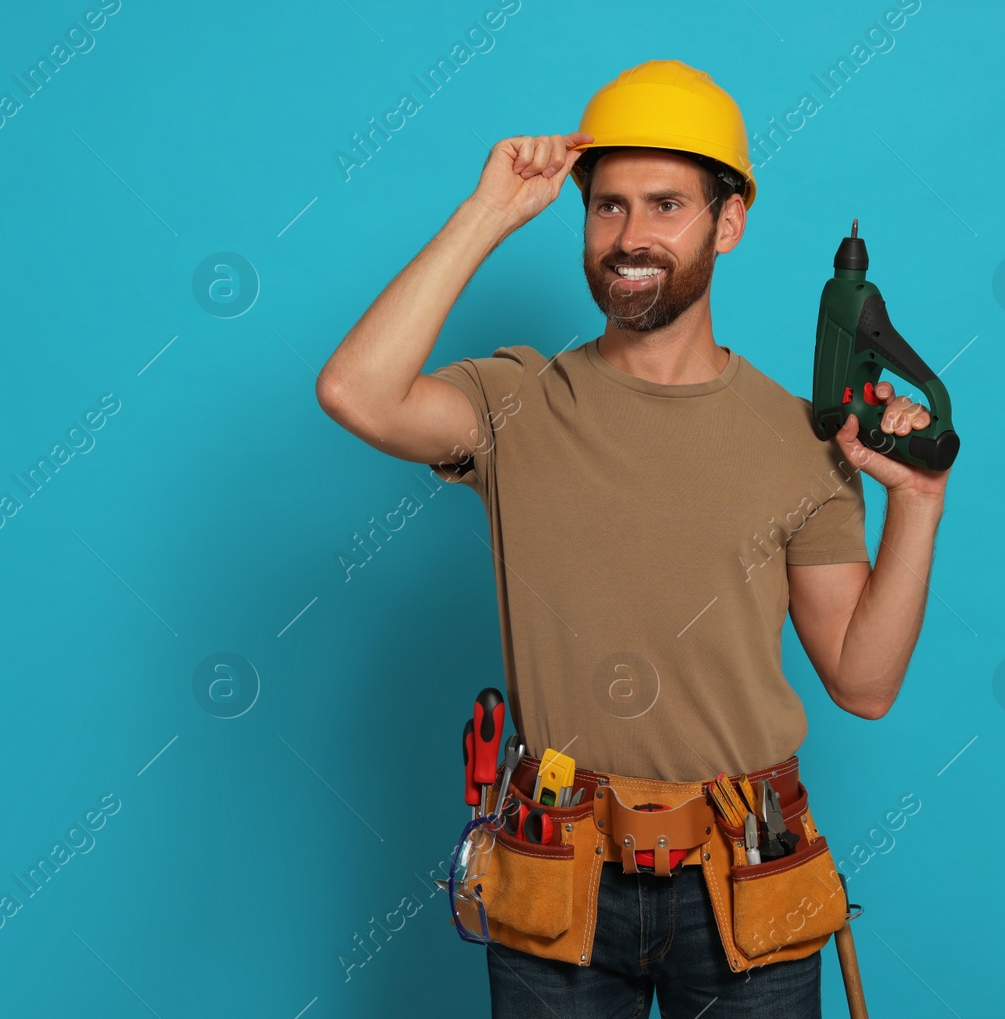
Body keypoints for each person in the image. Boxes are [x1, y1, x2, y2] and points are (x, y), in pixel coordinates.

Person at [315, 60, 949, 1018]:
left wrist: (919, 503)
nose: (631, 237)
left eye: (665, 204)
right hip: (557, 866)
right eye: (607, 207)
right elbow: (354, 390)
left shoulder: (801, 440)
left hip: (746, 873)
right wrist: (489, 210)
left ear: (727, 223)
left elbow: (864, 682)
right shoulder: (515, 401)